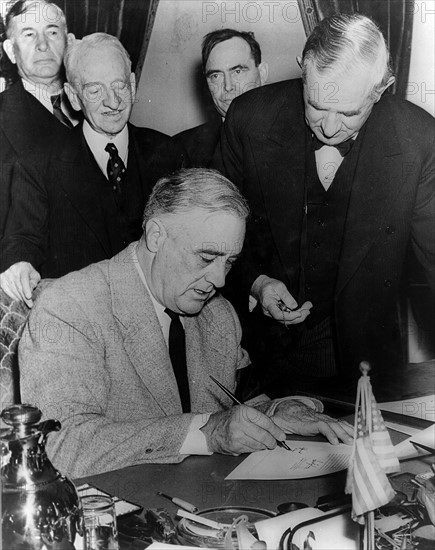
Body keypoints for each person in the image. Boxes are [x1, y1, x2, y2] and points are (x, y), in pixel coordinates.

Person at [18, 168, 353, 478]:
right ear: (155, 236)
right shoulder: (70, 306)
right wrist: (205, 433)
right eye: (206, 258)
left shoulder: (217, 316)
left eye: (230, 262)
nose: (220, 280)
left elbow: (240, 409)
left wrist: (281, 412)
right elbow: (60, 447)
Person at [218, 13, 435, 396]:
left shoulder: (418, 140)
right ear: (303, 71)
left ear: (382, 88)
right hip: (260, 354)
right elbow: (214, 231)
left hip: (366, 361)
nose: (330, 127)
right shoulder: (249, 120)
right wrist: (257, 283)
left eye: (349, 112)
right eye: (316, 105)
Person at [0, 32, 186, 306]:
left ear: (133, 85)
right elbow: (22, 237)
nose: (113, 102)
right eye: (95, 90)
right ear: (74, 97)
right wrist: (19, 264)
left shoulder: (169, 153)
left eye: (119, 85)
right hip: (81, 315)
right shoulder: (37, 163)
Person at [0, 0, 79, 237]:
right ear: (10, 51)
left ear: (69, 41)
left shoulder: (97, 105)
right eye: (29, 34)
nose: (42, 45)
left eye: (52, 32)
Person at [174, 29, 268, 167]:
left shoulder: (296, 136)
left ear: (262, 73)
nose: (228, 86)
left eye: (237, 71)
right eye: (216, 76)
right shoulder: (181, 148)